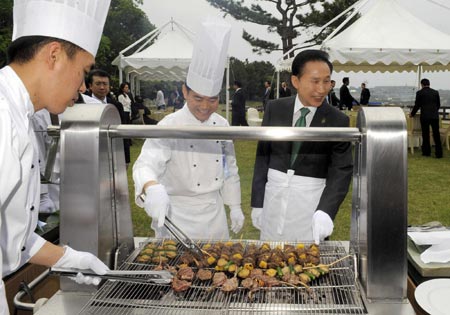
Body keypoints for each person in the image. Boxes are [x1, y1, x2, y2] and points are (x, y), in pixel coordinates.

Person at [0, 1, 111, 314]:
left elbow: (12, 235)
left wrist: (68, 258)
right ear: (53, 55)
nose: (80, 88)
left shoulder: (20, 113)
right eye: (82, 73)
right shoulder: (3, 116)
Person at [133, 17, 244, 239]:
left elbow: (229, 169)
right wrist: (151, 186)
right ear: (184, 92)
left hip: (214, 215)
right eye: (198, 98)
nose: (205, 107)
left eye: (212, 100)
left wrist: (235, 206)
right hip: (177, 215)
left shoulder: (221, 125)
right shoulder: (169, 126)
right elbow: (145, 164)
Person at [250, 49, 353, 243]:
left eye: (327, 81)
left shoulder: (337, 120)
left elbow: (341, 170)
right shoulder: (275, 108)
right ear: (296, 81)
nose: (322, 89)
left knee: (307, 263)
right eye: (315, 81)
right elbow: (263, 157)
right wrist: (258, 202)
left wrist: (326, 211)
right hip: (274, 200)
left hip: (310, 205)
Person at [86, 69, 131, 166]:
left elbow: (122, 131)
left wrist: (126, 158)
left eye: (105, 84)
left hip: (109, 152)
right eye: (98, 84)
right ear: (90, 86)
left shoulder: (116, 105)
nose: (102, 87)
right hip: (87, 150)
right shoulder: (83, 103)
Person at [410, 78, 443, 158]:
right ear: (429, 84)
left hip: (425, 116)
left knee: (425, 134)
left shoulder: (419, 93)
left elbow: (417, 105)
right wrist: (434, 111)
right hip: (435, 116)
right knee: (436, 134)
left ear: (422, 84)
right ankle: (439, 154)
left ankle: (426, 152)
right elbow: (438, 105)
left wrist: (412, 114)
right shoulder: (435, 92)